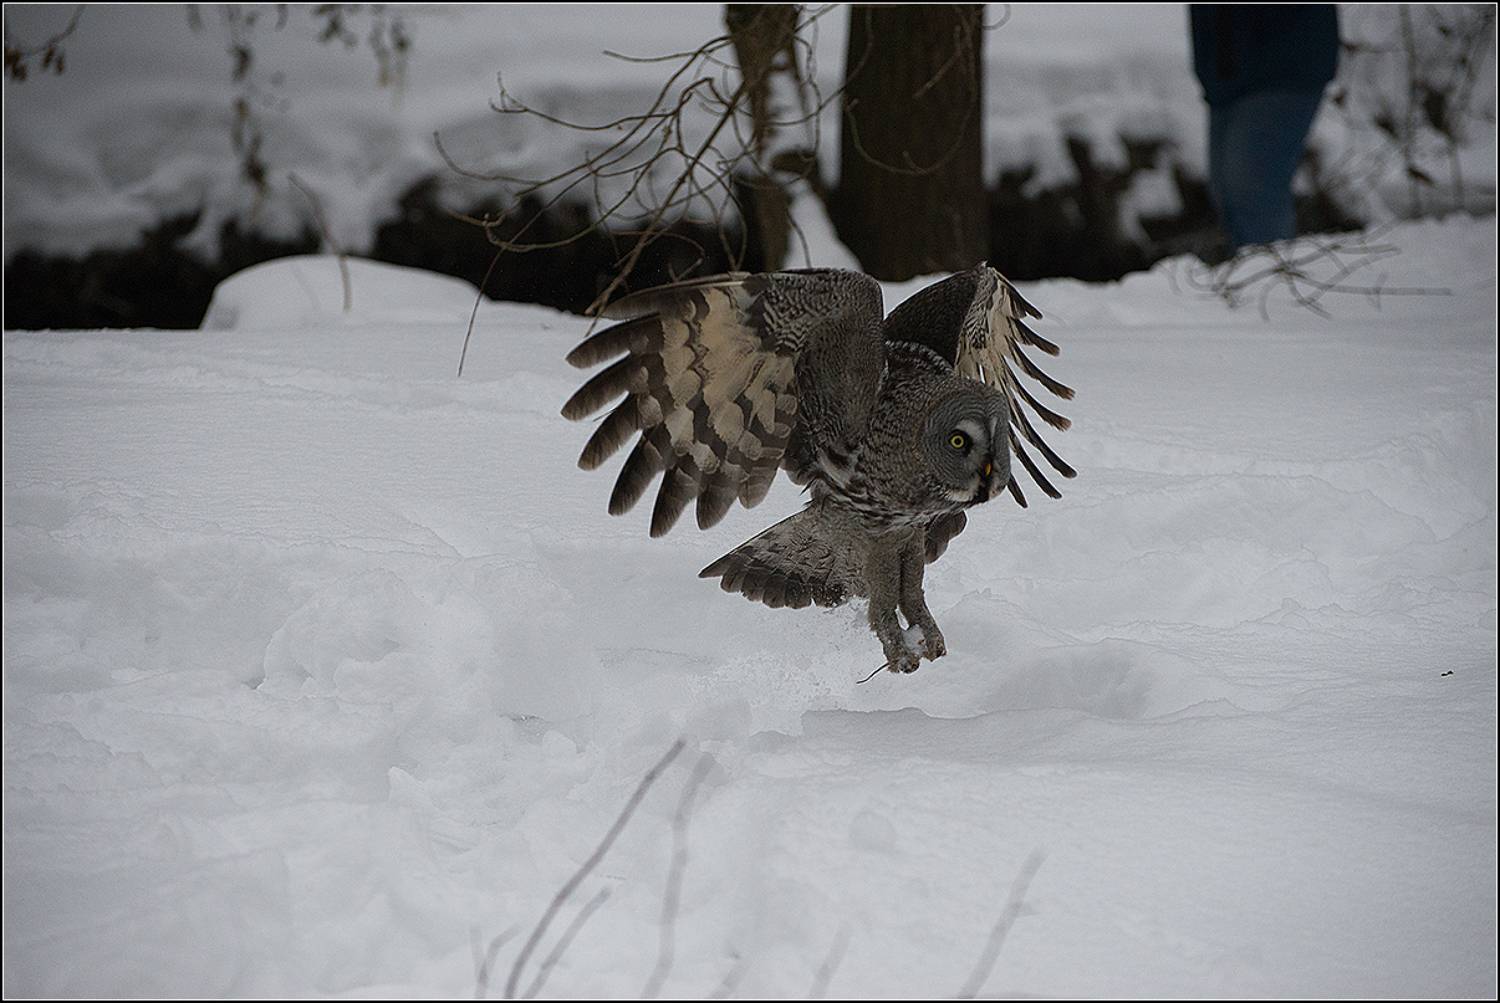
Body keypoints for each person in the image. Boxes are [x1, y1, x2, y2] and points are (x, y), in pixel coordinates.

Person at [1190, 5, 1341, 252]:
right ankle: (1250, 279)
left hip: (1285, 60)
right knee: (1227, 191)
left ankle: (1272, 282)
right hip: (1227, 69)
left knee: (1252, 190)